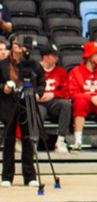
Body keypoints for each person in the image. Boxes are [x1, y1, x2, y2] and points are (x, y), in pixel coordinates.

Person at [0, 35, 38, 186]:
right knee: (9, 140)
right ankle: (7, 176)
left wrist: (37, 91)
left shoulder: (32, 65)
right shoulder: (2, 64)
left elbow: (41, 82)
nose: (18, 48)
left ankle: (30, 176)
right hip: (8, 103)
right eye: (16, 45)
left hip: (27, 101)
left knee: (28, 139)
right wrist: (4, 87)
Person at [35, 43, 72, 154]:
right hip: (39, 102)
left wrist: (54, 94)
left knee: (66, 105)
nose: (57, 58)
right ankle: (34, 142)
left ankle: (60, 140)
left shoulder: (61, 72)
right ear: (45, 57)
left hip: (53, 102)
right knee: (37, 111)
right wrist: (35, 95)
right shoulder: (34, 70)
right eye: (53, 55)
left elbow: (67, 92)